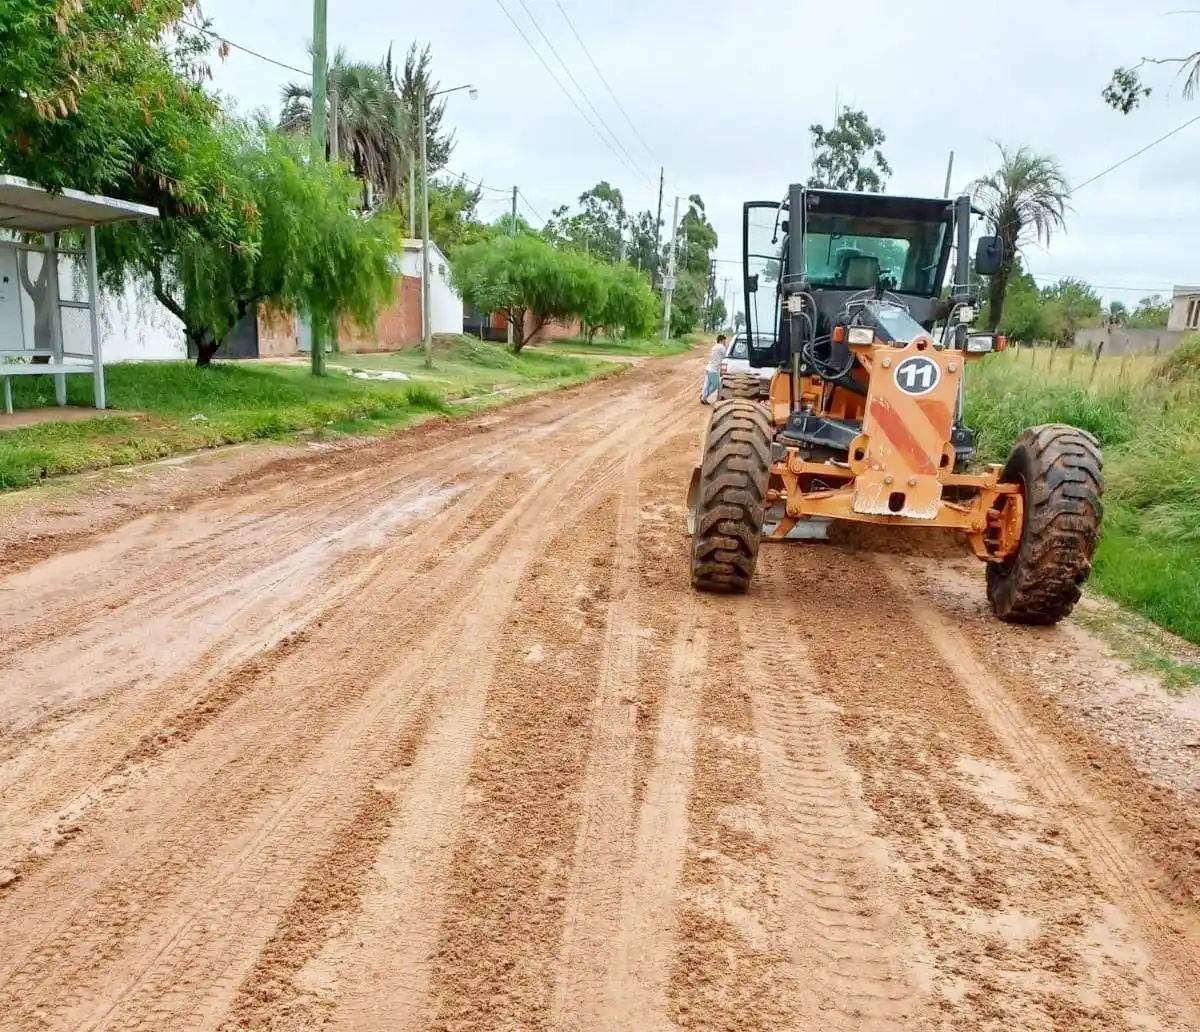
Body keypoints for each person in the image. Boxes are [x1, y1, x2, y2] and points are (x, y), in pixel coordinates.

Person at [700, 334, 728, 405]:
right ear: (721, 340)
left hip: (709, 368)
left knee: (707, 384)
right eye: (724, 340)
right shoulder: (721, 347)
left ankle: (703, 395)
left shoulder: (715, 346)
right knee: (715, 385)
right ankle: (704, 397)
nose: (725, 342)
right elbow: (726, 356)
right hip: (713, 370)